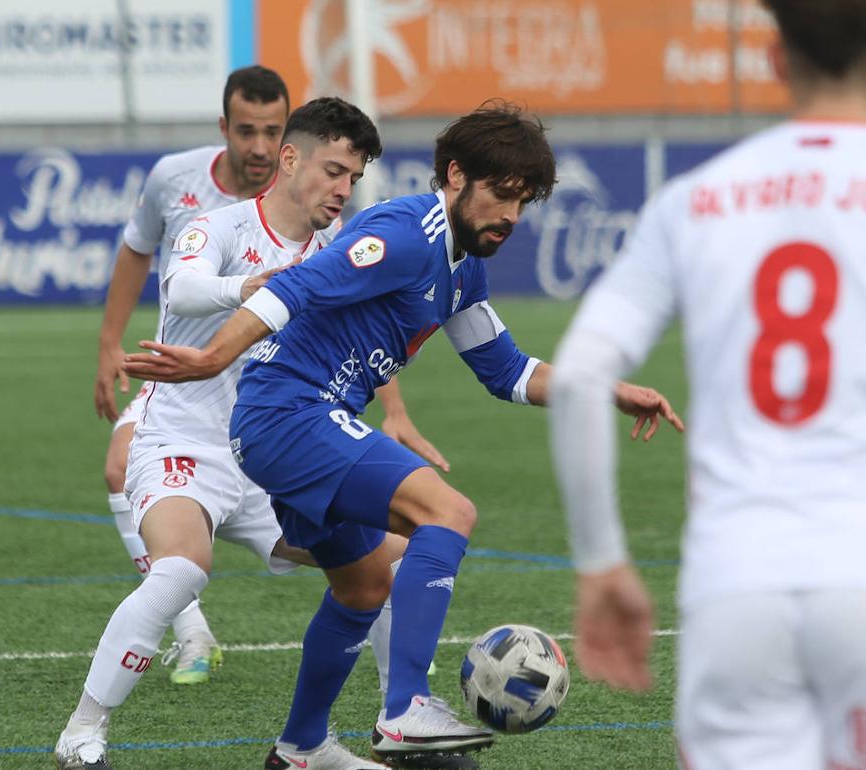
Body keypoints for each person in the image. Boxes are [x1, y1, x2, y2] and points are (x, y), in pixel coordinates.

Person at [123, 102, 682, 769]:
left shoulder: (463, 266)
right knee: (449, 511)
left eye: (523, 202)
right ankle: (405, 710)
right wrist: (213, 358)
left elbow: (505, 370)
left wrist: (605, 389)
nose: (510, 214)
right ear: (455, 176)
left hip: (297, 422)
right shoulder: (407, 233)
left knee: (362, 588)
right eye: (501, 194)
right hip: (288, 412)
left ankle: (299, 749)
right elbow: (298, 282)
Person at [548, 1, 866, 767]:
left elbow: (579, 378)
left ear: (776, 61)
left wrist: (601, 562)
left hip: (736, 584)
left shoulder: (695, 199)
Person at [56, 97, 394, 770]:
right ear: (291, 159)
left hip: (273, 457)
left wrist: (390, 414)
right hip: (182, 442)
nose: (342, 189)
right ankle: (82, 731)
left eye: (352, 178)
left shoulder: (337, 252)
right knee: (182, 569)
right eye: (333, 170)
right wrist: (255, 287)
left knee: (389, 564)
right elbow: (181, 290)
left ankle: (375, 728)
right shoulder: (217, 227)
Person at [95, 65, 288, 686]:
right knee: (119, 467)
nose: (259, 148)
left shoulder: (306, 197)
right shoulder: (175, 179)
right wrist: (108, 345)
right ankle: (191, 629)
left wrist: (390, 408)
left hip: (264, 398)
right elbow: (136, 250)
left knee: (349, 545)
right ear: (224, 127)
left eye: (272, 132)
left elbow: (347, 303)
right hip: (180, 386)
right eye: (247, 132)